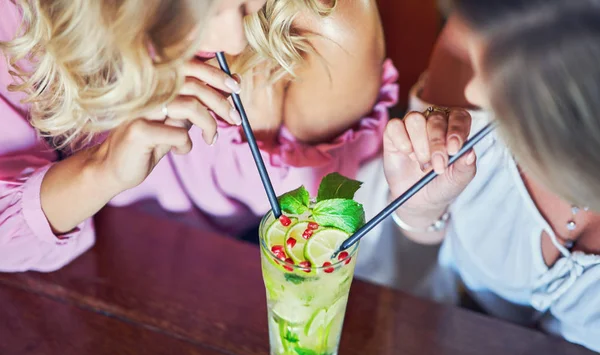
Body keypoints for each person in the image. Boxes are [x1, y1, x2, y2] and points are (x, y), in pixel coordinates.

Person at [0, 0, 398, 271]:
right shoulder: (17, 21)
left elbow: (325, 231)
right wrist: (101, 171)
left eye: (243, 5)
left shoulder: (323, 27)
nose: (234, 41)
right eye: (203, 10)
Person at [383, 0, 600, 352]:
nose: (475, 91)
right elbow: (421, 240)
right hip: (441, 340)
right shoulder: (473, 37)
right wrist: (420, 206)